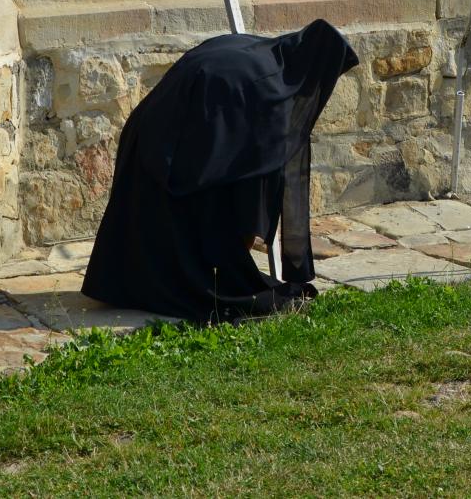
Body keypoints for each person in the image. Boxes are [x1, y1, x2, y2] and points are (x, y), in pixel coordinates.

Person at [81, 19, 358, 323]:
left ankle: (128, 283)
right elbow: (258, 173)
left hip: (149, 129)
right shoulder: (269, 84)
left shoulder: (259, 52)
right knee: (195, 232)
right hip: (172, 143)